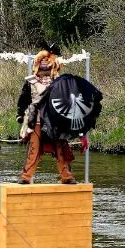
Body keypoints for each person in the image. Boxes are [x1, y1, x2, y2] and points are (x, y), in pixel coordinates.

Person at [16, 48, 77, 184]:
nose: (44, 63)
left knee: (60, 147)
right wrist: (20, 116)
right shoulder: (30, 82)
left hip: (55, 120)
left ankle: (67, 176)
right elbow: (23, 101)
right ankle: (26, 177)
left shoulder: (60, 81)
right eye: (41, 61)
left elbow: (67, 100)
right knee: (33, 148)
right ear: (37, 64)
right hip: (36, 119)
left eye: (47, 61)